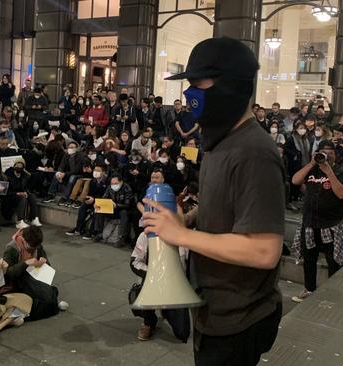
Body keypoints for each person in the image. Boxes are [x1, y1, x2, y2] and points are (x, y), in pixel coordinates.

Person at [143, 37, 284, 365]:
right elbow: (227, 203)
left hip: (239, 319)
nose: (189, 95)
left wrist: (183, 236)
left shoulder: (254, 152)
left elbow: (264, 251)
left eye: (197, 84)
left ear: (230, 86)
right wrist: (185, 219)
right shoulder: (219, 141)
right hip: (213, 310)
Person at [291, 140, 343, 302]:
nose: (326, 156)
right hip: (310, 224)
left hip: (330, 225)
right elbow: (295, 181)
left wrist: (329, 172)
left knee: (334, 262)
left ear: (335, 155)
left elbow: (342, 194)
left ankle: (331, 294)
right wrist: (311, 163)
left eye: (330, 152)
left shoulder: (340, 171)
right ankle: (309, 289)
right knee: (309, 260)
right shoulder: (312, 170)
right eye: (323, 152)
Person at [130, 231, 190, 342]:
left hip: (175, 287)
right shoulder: (145, 236)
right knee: (145, 287)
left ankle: (166, 310)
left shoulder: (182, 237)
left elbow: (189, 265)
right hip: (152, 282)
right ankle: (148, 322)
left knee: (183, 333)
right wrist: (154, 274)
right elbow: (134, 263)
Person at [3, 227, 63, 321]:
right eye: (31, 247)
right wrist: (26, 263)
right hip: (19, 280)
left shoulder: (37, 245)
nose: (34, 249)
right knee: (47, 300)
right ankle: (52, 300)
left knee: (45, 297)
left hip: (35, 275)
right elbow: (8, 274)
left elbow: (47, 265)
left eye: (36, 247)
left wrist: (43, 262)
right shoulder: (11, 248)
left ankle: (51, 299)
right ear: (23, 239)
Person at [93, 173, 133, 247]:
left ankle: (121, 238)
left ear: (121, 182)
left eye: (116, 183)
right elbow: (104, 197)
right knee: (98, 209)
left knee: (124, 213)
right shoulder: (109, 188)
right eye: (112, 183)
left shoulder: (127, 188)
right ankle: (99, 233)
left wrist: (116, 205)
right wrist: (99, 204)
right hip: (110, 208)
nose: (113, 185)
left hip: (121, 209)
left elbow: (127, 204)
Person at [4, 161, 42, 229]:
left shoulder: (24, 176)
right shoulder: (8, 175)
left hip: (21, 194)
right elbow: (6, 191)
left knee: (32, 196)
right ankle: (19, 221)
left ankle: (34, 218)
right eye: (17, 165)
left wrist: (26, 172)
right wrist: (17, 193)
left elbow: (30, 180)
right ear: (14, 166)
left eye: (21, 166)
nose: (19, 167)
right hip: (10, 195)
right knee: (22, 197)